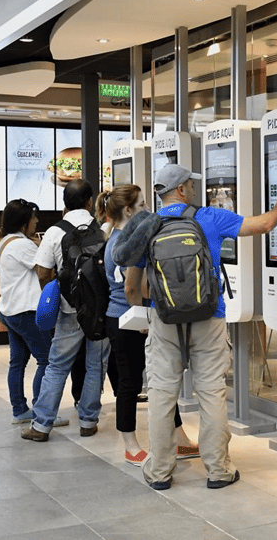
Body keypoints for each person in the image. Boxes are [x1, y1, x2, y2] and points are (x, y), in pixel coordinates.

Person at [123, 164, 277, 491]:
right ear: (181, 190)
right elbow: (264, 224)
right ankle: (218, 470)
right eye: (190, 184)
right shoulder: (210, 218)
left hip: (164, 320)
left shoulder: (148, 225)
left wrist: (149, 314)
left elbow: (132, 286)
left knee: (161, 394)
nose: (194, 189)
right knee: (211, 392)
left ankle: (159, 471)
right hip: (209, 316)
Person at [95, 184, 198, 465]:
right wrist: (142, 315)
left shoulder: (117, 237)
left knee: (160, 379)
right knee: (130, 383)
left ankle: (179, 438)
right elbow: (132, 287)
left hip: (129, 317)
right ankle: (130, 444)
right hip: (129, 320)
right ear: (128, 210)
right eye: (141, 205)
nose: (147, 209)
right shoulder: (124, 242)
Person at [22, 179, 111, 442]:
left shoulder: (54, 232)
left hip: (70, 309)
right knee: (96, 365)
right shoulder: (104, 229)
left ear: (64, 203)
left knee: (57, 366)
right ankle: (88, 421)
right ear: (89, 202)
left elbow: (42, 272)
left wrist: (58, 293)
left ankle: (41, 426)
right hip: (100, 309)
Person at [0, 198, 58, 424]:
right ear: (23, 222)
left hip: (10, 310)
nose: (37, 221)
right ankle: (42, 412)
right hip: (26, 311)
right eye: (33, 218)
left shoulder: (4, 242)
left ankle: (20, 410)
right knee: (46, 360)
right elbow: (46, 270)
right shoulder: (23, 245)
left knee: (17, 362)